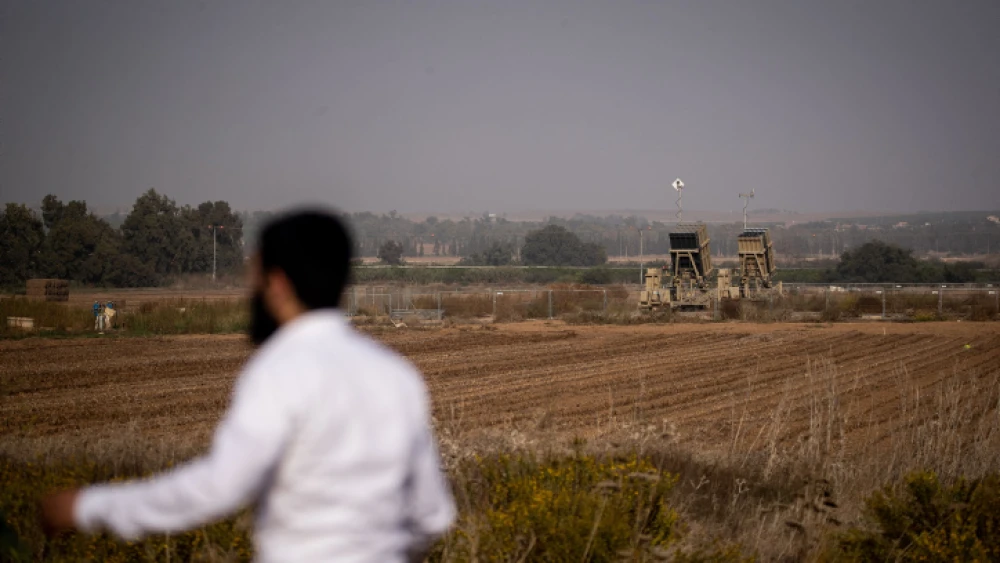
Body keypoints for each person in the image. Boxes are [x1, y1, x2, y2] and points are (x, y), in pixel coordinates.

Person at [41, 210, 456, 562]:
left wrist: (91, 507)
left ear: (276, 284)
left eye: (254, 275)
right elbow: (433, 515)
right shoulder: (397, 375)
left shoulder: (279, 370)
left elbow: (220, 487)